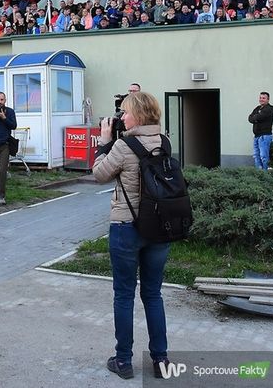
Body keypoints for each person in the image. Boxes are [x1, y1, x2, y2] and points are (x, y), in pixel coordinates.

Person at [92, 92, 172, 380]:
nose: (121, 117)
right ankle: (161, 360)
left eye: (125, 112)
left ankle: (123, 360)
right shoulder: (164, 142)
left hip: (127, 227)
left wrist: (104, 142)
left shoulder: (123, 145)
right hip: (159, 227)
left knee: (124, 295)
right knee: (153, 294)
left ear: (138, 115)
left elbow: (99, 174)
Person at [248, 91, 273, 171]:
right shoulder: (257, 108)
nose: (261, 99)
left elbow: (260, 117)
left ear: (268, 99)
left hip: (265, 136)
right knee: (256, 156)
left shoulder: (270, 108)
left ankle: (265, 173)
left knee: (263, 156)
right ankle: (259, 173)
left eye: (263, 98)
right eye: (260, 98)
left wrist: (256, 118)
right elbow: (250, 118)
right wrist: (256, 118)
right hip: (256, 136)